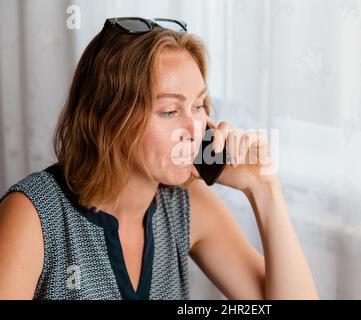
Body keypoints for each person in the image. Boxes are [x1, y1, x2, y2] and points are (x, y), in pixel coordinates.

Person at [0, 17, 318, 300]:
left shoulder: (185, 203)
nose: (196, 129)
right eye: (169, 111)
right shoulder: (33, 213)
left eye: (198, 106)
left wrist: (264, 189)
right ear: (110, 120)